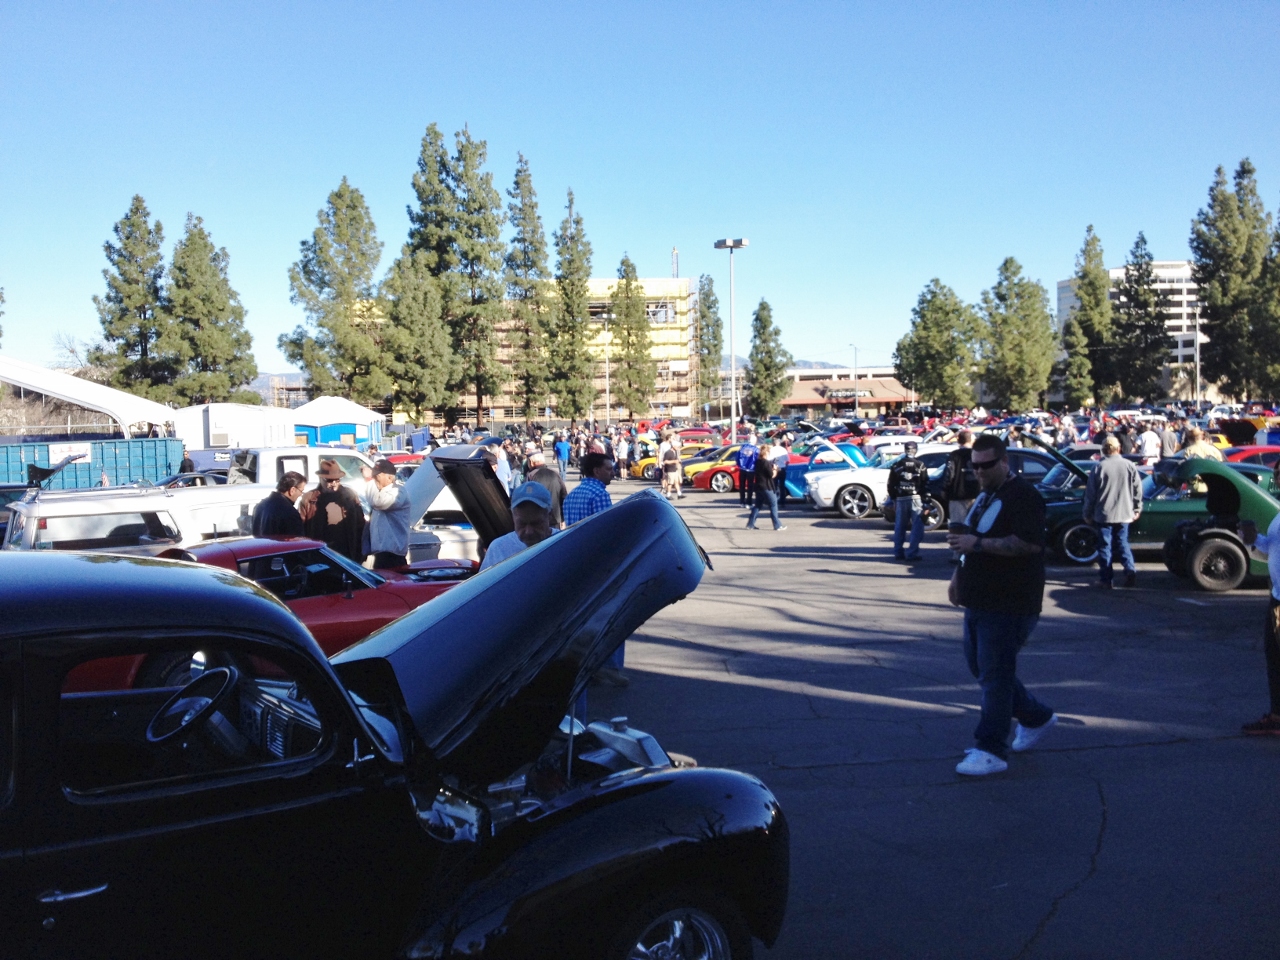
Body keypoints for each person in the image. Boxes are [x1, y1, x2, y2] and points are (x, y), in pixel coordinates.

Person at [946, 434, 1056, 776]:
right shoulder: (985, 496)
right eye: (975, 466)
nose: (979, 472)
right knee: (985, 670)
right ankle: (1036, 716)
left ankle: (991, 748)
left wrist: (977, 545)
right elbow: (968, 542)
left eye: (986, 465)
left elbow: (1028, 544)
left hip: (1011, 602)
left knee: (995, 676)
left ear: (1004, 462)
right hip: (978, 598)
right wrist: (957, 575)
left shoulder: (1023, 496)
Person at [1241, 466, 1280, 735]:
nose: (1278, 479)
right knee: (1275, 659)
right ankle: (1277, 716)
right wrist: (1253, 540)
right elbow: (1270, 552)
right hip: (1276, 597)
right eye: (1277, 475)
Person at [1082, 436, 1143, 588]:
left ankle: (1106, 579)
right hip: (1125, 512)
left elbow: (1090, 494)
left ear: (1103, 450)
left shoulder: (1099, 467)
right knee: (1123, 543)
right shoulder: (1129, 465)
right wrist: (1137, 508)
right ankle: (1130, 570)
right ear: (1119, 448)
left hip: (1104, 513)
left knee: (1105, 546)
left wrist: (1087, 514)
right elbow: (1137, 489)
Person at [479, 481, 558, 571]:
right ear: (513, 517)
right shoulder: (498, 548)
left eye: (536, 523)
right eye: (522, 524)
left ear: (550, 515)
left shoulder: (564, 544)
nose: (528, 531)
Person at [303, 460, 366, 562]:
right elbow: (302, 529)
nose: (334, 484)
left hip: (347, 553)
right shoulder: (309, 498)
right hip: (321, 554)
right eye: (329, 481)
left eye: (337, 480)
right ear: (321, 478)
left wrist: (361, 551)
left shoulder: (349, 495)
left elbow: (360, 525)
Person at [366, 459, 412, 569]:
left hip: (393, 554)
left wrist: (369, 480)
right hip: (381, 554)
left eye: (377, 476)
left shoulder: (398, 492)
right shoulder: (379, 492)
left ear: (390, 478)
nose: (375, 479)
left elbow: (379, 503)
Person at [887, 441, 928, 562]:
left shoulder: (897, 465)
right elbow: (925, 484)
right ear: (915, 450)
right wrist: (927, 501)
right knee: (917, 527)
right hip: (916, 498)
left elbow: (891, 484)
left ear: (905, 450)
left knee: (900, 526)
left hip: (901, 498)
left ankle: (898, 552)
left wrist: (894, 499)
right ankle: (912, 553)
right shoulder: (920, 465)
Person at [942, 430, 979, 563]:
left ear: (958, 441)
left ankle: (957, 554)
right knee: (974, 525)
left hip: (957, 495)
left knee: (957, 526)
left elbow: (949, 474)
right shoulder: (976, 454)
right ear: (971, 441)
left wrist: (945, 490)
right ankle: (972, 552)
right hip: (975, 494)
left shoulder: (954, 455)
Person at [563, 452, 614, 525]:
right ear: (596, 471)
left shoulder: (571, 495)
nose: (613, 473)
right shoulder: (600, 495)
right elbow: (606, 525)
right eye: (609, 469)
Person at [252, 472, 307, 537]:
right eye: (301, 491)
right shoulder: (289, 513)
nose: (301, 494)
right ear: (292, 490)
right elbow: (297, 541)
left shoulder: (260, 506)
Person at [747, 441, 786, 532]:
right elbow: (771, 475)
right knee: (773, 504)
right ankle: (777, 525)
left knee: (758, 506)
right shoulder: (766, 463)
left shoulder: (758, 462)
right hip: (767, 487)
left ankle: (750, 524)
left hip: (759, 486)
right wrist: (775, 469)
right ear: (766, 452)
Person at [525, 451, 568, 528]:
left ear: (531, 462)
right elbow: (564, 496)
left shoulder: (531, 475)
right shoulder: (555, 473)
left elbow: (527, 498)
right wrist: (563, 519)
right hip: (556, 519)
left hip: (538, 520)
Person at [737, 433, 760, 507]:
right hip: (751, 470)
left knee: (742, 486)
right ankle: (748, 503)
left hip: (742, 469)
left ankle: (742, 502)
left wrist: (739, 465)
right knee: (750, 486)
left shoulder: (742, 447)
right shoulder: (756, 449)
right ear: (754, 441)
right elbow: (758, 460)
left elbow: (737, 457)